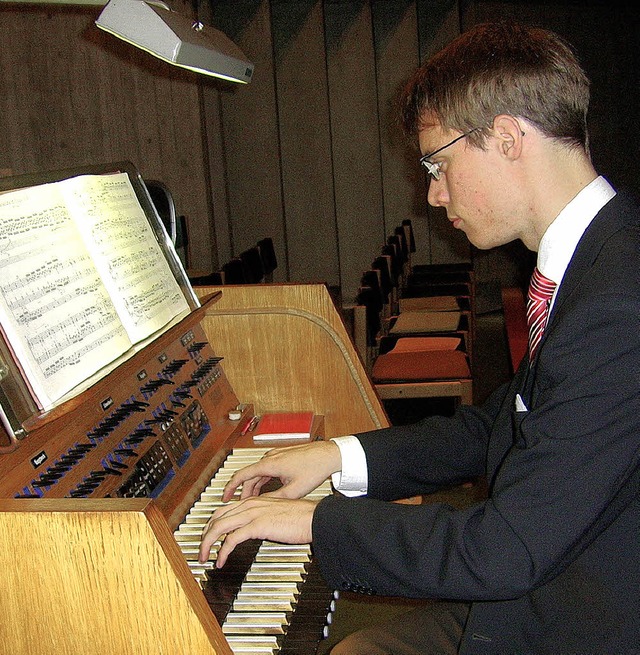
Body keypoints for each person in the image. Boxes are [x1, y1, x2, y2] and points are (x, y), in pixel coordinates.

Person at [199, 20, 640, 654]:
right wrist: (340, 458)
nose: (433, 194)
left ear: (508, 138)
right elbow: (496, 427)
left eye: (438, 163)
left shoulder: (619, 303)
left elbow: (503, 551)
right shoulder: (588, 265)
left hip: (579, 618)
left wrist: (322, 524)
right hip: (548, 583)